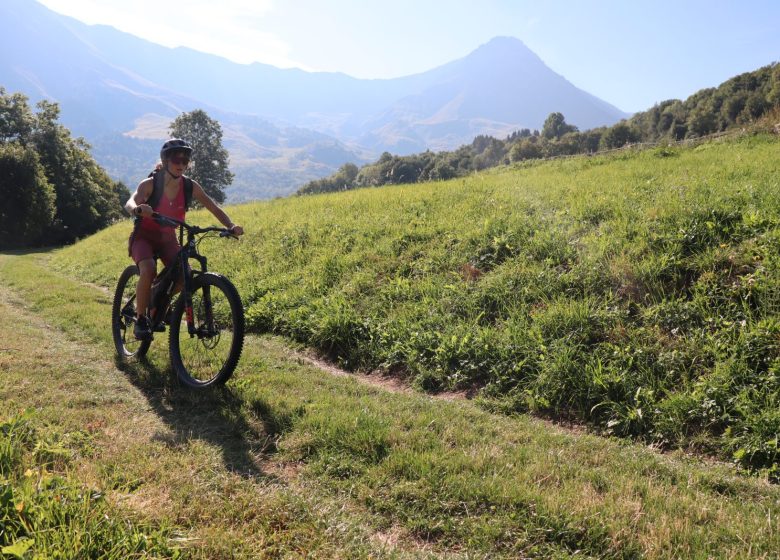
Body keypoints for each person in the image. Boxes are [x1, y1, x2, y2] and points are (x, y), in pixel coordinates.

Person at [124, 139, 244, 340]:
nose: (181, 164)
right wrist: (137, 209)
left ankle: (158, 302)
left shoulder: (190, 186)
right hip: (144, 236)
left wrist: (231, 226)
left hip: (168, 238)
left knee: (183, 276)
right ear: (166, 160)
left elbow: (213, 207)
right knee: (148, 269)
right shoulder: (151, 184)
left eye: (185, 160)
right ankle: (141, 320)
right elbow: (130, 201)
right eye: (176, 159)